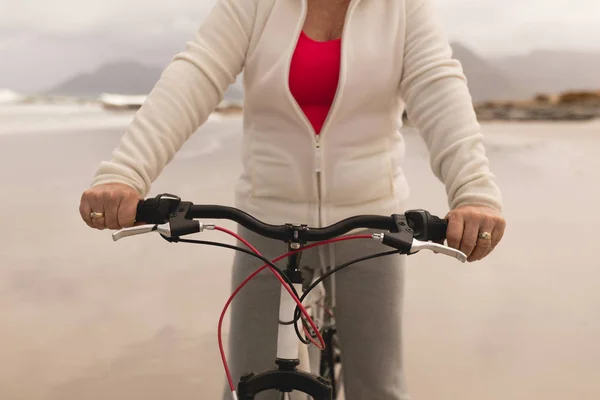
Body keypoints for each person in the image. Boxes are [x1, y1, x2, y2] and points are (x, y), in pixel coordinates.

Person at [79, 0, 506, 398]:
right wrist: (125, 173)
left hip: (372, 226)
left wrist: (473, 192)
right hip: (266, 219)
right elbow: (195, 74)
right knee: (249, 384)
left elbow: (438, 87)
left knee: (377, 388)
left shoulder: (402, 7)